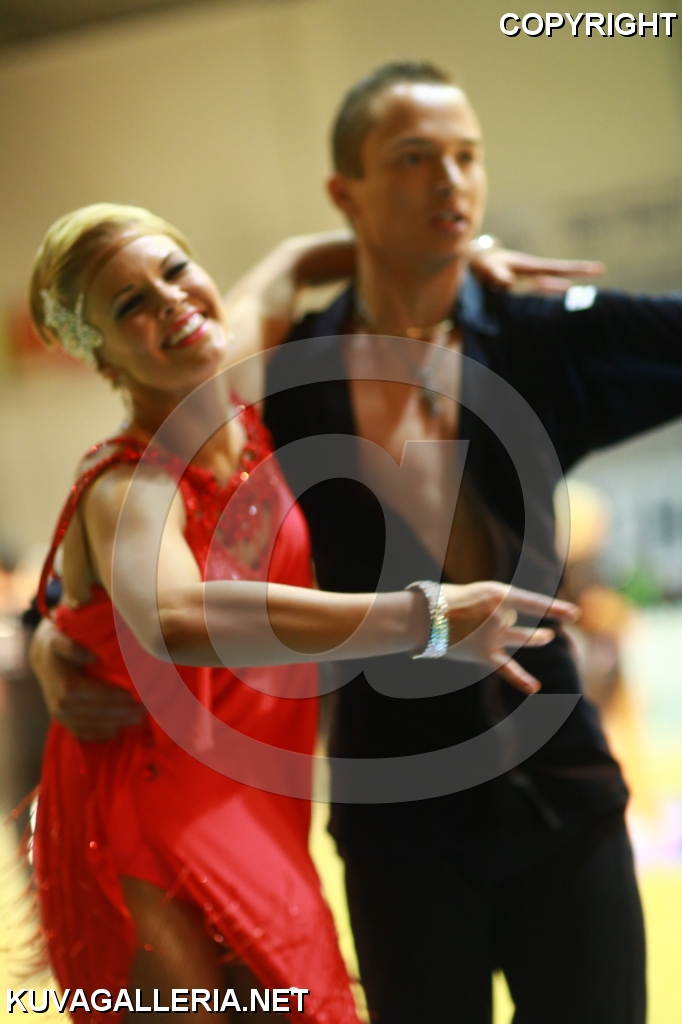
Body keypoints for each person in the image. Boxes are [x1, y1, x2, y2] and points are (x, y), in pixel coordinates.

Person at [27, 203, 575, 1021]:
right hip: (140, 811)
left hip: (254, 802)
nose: (171, 302)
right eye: (130, 304)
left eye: (175, 271)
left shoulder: (238, 380)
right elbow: (175, 620)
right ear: (99, 352)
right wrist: (424, 618)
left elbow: (294, 258)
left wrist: (456, 263)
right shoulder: (126, 488)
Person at [259, 63, 682, 1024]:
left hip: (560, 793)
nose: (450, 179)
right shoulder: (289, 378)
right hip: (396, 813)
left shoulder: (535, 340)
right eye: (414, 159)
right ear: (345, 192)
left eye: (466, 156)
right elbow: (164, 469)